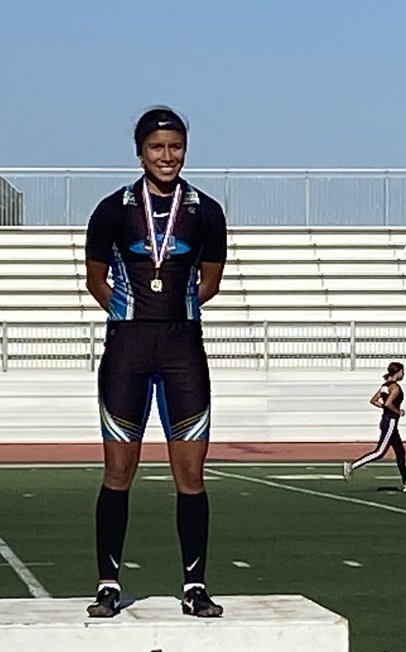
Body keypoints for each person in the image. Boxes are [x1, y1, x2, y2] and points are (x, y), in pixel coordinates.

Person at [83, 107, 227, 619]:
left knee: (190, 474)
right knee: (119, 470)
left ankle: (194, 585)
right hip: (128, 350)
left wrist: (173, 315)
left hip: (183, 350)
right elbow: (96, 279)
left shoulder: (205, 211)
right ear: (140, 151)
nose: (167, 156)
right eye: (157, 147)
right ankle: (107, 583)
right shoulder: (112, 210)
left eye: (176, 147)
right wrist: (132, 315)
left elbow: (209, 281)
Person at [342, 361, 406, 492]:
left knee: (400, 452)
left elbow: (374, 400)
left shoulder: (385, 385)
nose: (404, 374)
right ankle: (352, 466)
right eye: (402, 371)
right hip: (390, 422)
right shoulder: (395, 387)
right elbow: (389, 403)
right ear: (398, 372)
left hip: (388, 421)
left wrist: (385, 408)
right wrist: (398, 412)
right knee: (380, 452)